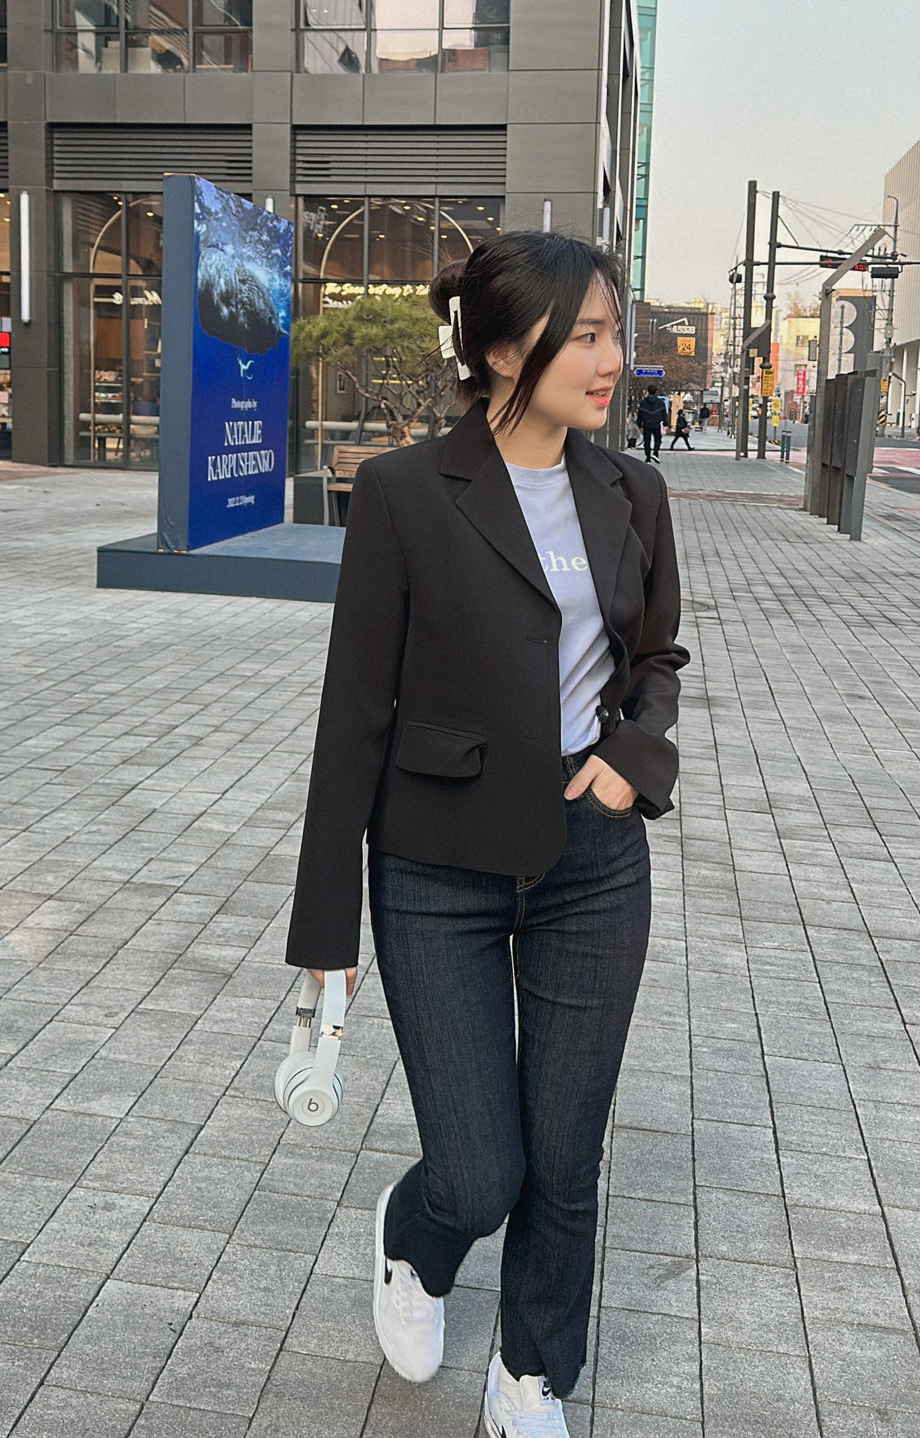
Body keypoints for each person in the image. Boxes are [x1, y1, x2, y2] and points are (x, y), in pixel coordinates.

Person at [285, 231, 689, 1438]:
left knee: (565, 1157)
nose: (613, 361)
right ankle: (416, 1245)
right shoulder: (407, 492)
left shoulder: (632, 492)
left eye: (615, 334)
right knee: (478, 1171)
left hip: (592, 863)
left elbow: (655, 659)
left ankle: (530, 1372)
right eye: (587, 336)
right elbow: (354, 714)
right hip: (436, 866)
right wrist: (325, 934)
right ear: (505, 350)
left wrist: (630, 761)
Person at [635, 383, 666, 463]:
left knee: (647, 441)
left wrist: (639, 424)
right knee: (657, 440)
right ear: (656, 392)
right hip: (656, 424)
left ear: (648, 391)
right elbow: (664, 413)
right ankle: (655, 453)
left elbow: (640, 414)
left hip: (646, 424)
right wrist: (665, 423)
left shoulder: (643, 403)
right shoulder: (660, 402)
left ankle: (648, 457)